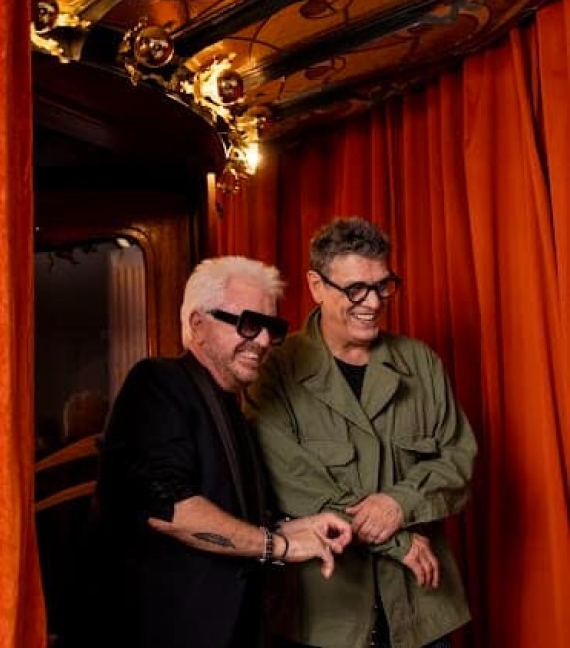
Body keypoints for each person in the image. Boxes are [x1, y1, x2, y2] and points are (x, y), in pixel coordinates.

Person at [83, 256, 352, 648]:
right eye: (248, 323)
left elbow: (232, 524)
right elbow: (170, 513)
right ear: (198, 324)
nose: (264, 341)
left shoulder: (231, 407)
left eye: (272, 328)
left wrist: (295, 528)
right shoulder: (157, 382)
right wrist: (280, 546)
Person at [246, 218, 477, 648]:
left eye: (383, 286)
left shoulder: (421, 363)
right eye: (355, 289)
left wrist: (398, 502)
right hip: (324, 616)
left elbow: (458, 459)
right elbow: (292, 484)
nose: (372, 302)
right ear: (316, 285)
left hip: (421, 611)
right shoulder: (275, 369)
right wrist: (398, 542)